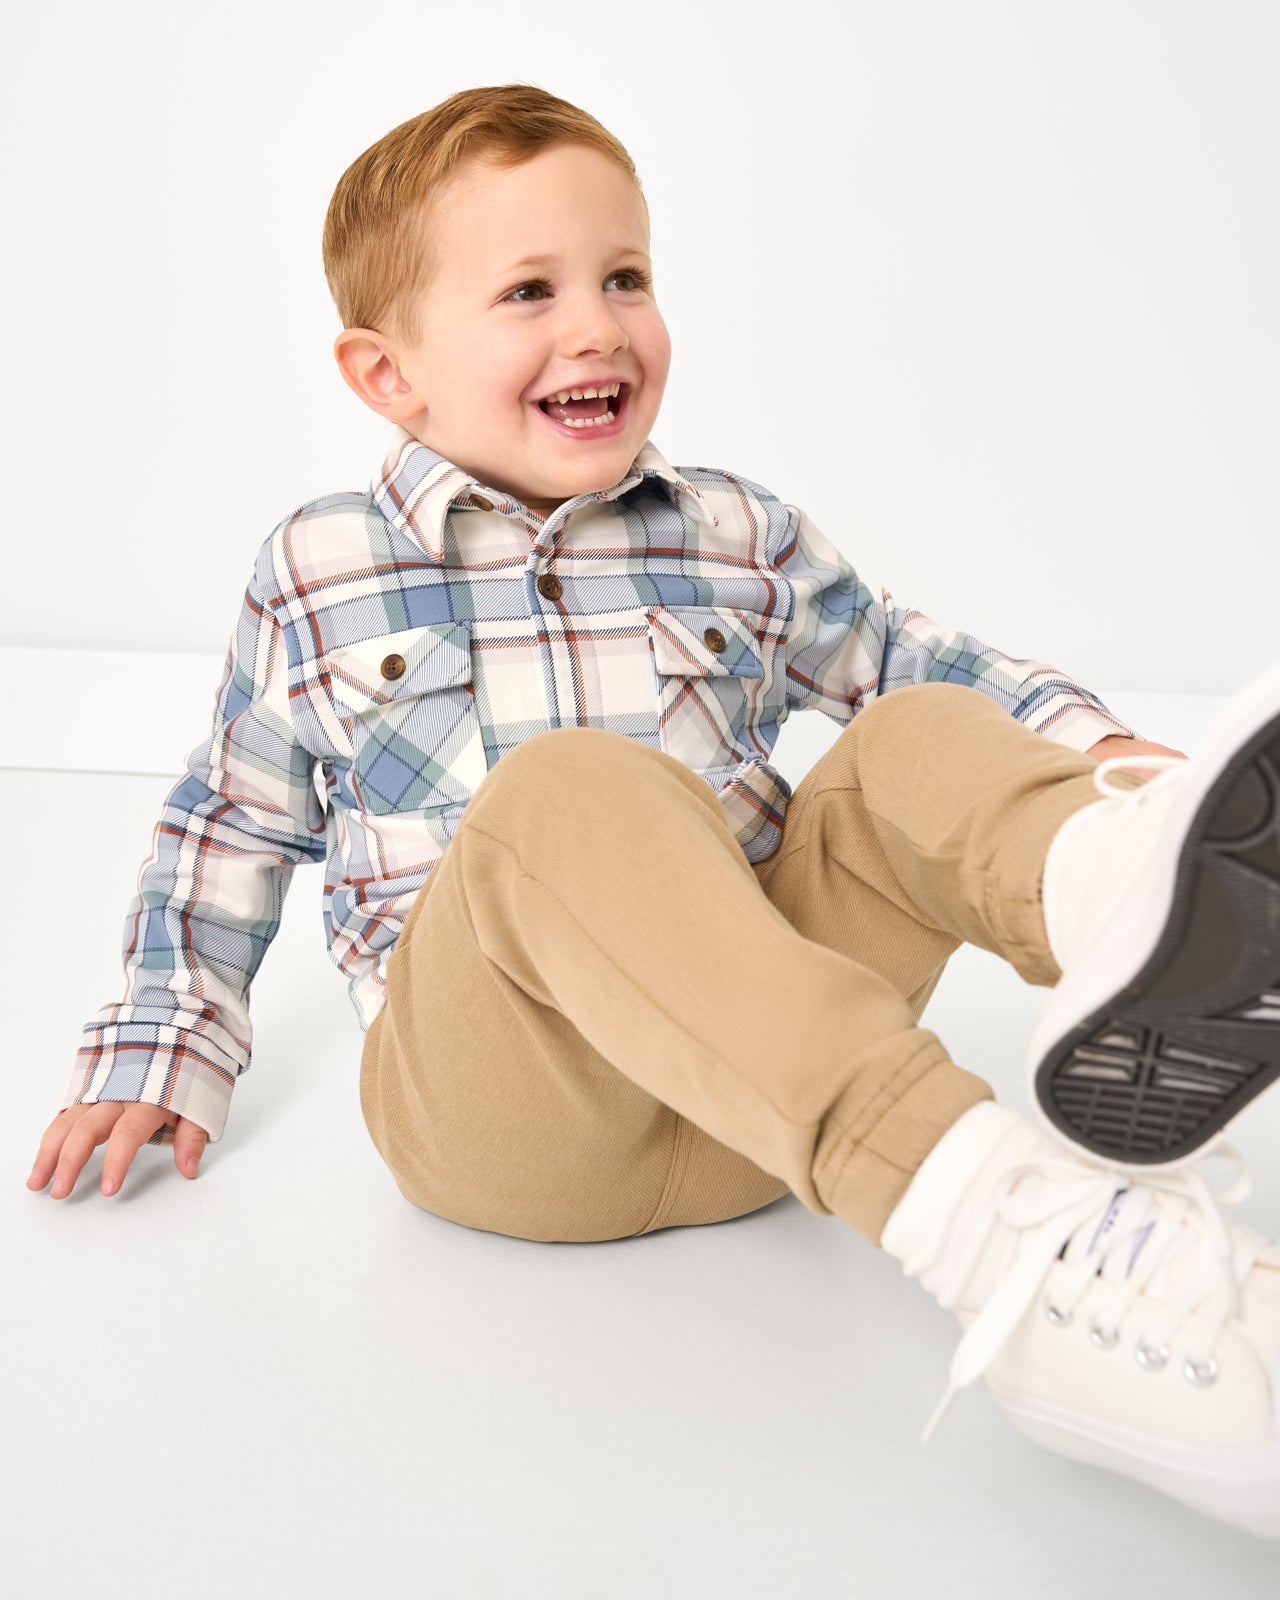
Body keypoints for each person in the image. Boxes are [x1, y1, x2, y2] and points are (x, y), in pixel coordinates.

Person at [27, 84, 1280, 1536]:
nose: (598, 327)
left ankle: (1126, 893)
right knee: (563, 794)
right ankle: (1011, 1241)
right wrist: (166, 1044)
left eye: (626, 276)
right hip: (516, 1119)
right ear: (388, 372)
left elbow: (906, 656)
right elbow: (233, 820)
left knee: (915, 727)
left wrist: (1102, 755)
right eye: (529, 292)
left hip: (765, 1082)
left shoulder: (737, 530)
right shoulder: (320, 567)